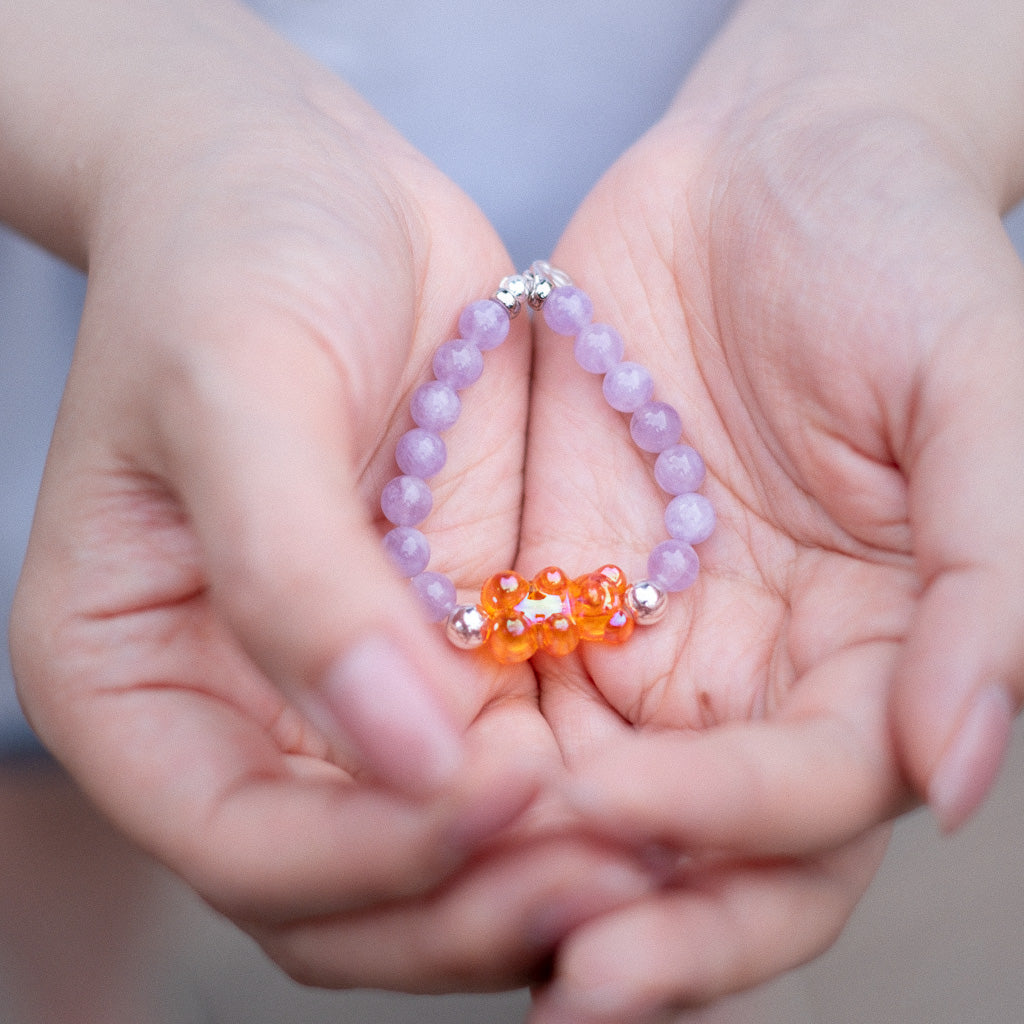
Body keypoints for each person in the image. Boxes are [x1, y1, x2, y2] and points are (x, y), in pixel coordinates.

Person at [2, 2, 1022, 1023]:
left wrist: (885, 80)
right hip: (180, 238)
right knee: (144, 711)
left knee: (708, 816)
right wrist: (161, 125)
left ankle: (670, 961)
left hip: (731, 212)